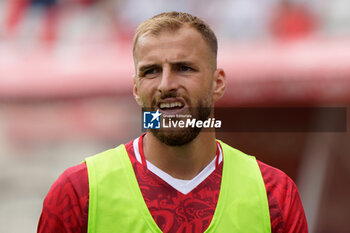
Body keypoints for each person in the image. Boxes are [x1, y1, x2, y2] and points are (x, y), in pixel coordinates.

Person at [38, 11, 308, 233]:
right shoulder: (78, 193)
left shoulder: (274, 193)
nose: (166, 84)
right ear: (135, 89)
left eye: (184, 68)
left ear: (218, 83)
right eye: (151, 71)